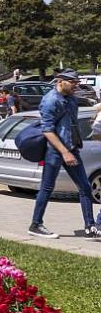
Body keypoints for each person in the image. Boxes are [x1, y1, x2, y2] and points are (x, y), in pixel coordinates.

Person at [29, 69, 100, 239]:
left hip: (72, 149)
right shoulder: (50, 101)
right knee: (47, 188)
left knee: (84, 187)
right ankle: (35, 225)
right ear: (60, 81)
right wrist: (65, 152)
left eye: (77, 83)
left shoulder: (71, 99)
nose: (76, 86)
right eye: (73, 83)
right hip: (56, 151)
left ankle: (90, 226)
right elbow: (47, 130)